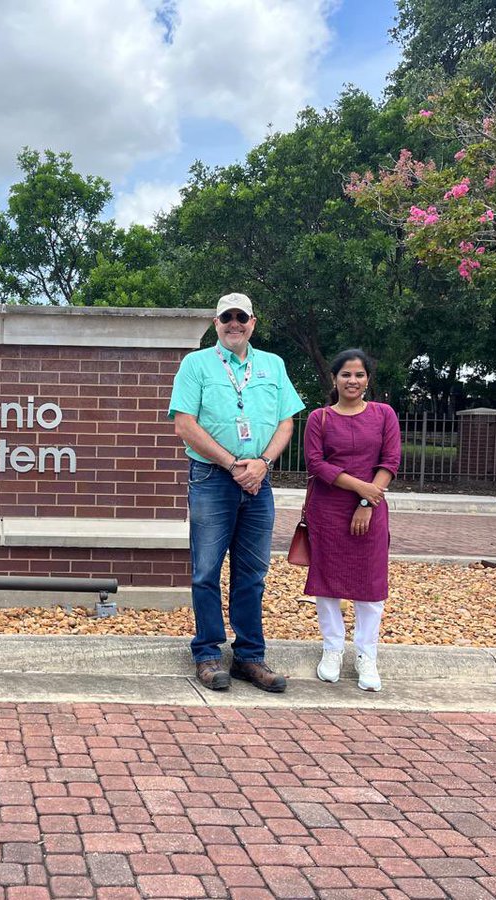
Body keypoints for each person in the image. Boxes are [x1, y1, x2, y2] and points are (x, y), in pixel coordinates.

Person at [168, 292, 304, 692]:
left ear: (253, 323)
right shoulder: (196, 365)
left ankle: (249, 657)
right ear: (216, 323)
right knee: (206, 571)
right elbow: (185, 425)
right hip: (212, 478)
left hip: (259, 480)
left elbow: (286, 424)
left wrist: (262, 463)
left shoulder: (273, 365)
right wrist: (233, 464)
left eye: (241, 317)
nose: (234, 324)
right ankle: (208, 654)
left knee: (252, 574)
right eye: (226, 317)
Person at [303, 349, 401, 692]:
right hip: (327, 509)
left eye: (359, 375)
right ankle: (332, 649)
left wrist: (366, 499)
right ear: (334, 379)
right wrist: (359, 486)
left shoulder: (384, 414)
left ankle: (365, 654)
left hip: (370, 509)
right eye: (346, 374)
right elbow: (316, 463)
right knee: (327, 582)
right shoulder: (320, 418)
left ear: (368, 380)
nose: (353, 381)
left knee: (370, 585)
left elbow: (390, 460)